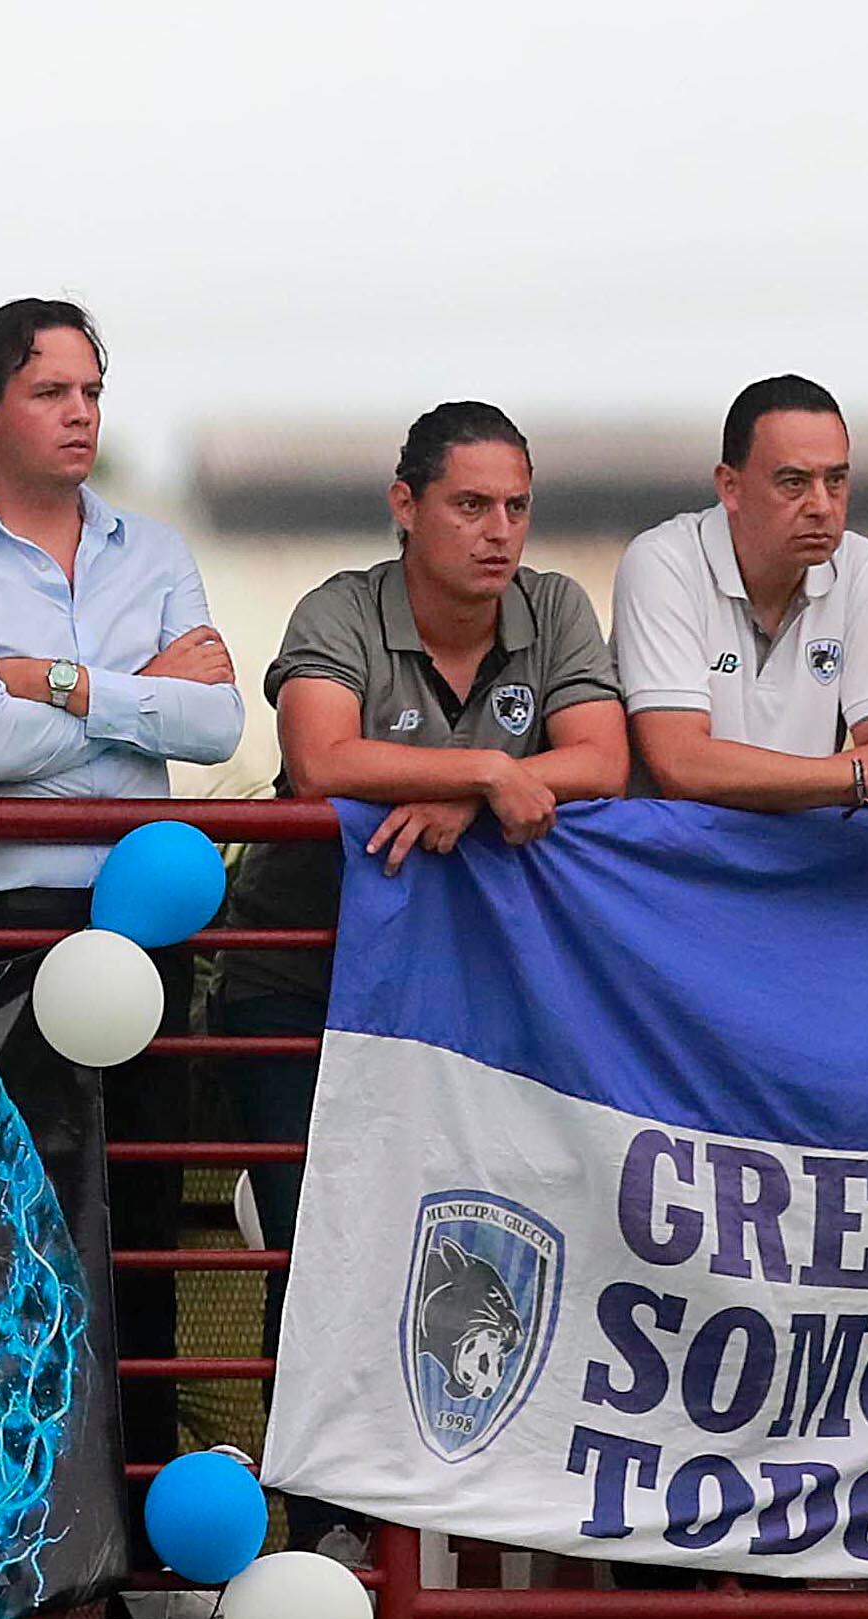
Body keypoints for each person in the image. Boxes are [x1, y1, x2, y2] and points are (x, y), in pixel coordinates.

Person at [216, 401, 628, 1492]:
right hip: (298, 977)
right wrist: (486, 773)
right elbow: (319, 760)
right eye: (470, 504)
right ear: (407, 506)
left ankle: (447, 1512)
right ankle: (314, 1516)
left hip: (476, 999)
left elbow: (605, 759)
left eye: (517, 507)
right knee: (316, 1243)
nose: (499, 530)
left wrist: (475, 799)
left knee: (476, 1249)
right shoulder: (340, 607)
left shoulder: (556, 607)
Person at [0, 297, 245, 1472]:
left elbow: (224, 719)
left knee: (134, 1235)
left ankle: (127, 1539)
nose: (80, 412)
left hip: (144, 928)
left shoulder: (159, 548)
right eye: (50, 391)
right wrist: (137, 688)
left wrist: (67, 684)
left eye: (91, 390)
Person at [610, 375, 868, 851]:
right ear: (730, 486)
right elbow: (682, 763)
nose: (822, 507)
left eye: (836, 480)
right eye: (794, 483)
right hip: (677, 863)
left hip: (800, 860)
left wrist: (859, 777)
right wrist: (859, 776)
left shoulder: (861, 564)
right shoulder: (662, 560)